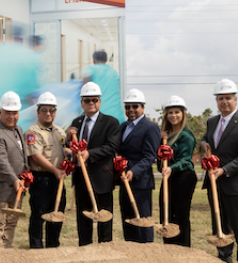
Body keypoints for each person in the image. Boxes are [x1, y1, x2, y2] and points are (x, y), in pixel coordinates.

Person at [201, 79, 238, 263]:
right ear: (216, 101)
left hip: (236, 182)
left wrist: (224, 170)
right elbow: (206, 140)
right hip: (215, 183)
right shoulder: (212, 122)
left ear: (235, 99)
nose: (224, 102)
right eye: (220, 98)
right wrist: (203, 145)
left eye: (228, 98)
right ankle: (224, 258)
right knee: (220, 221)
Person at [67, 82, 120, 246]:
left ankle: (105, 248)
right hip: (81, 177)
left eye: (94, 100)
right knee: (83, 218)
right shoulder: (76, 122)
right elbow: (69, 148)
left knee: (104, 218)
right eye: (87, 100)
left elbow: (112, 147)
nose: (91, 103)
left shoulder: (111, 122)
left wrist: (90, 153)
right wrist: (68, 138)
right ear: (82, 103)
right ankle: (85, 248)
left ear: (100, 102)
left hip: (102, 178)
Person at [0, 91, 28, 250]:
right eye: (8, 113)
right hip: (1, 186)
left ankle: (6, 253)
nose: (11, 116)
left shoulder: (19, 129)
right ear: (0, 112)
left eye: (15, 113)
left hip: (17, 187)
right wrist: (14, 179)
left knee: (11, 222)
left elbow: (22, 154)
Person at [25, 92, 67, 248]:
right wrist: (54, 170)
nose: (48, 114)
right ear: (38, 112)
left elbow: (64, 151)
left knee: (57, 214)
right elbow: (36, 156)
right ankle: (36, 248)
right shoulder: (32, 132)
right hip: (42, 179)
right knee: (39, 215)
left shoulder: (60, 131)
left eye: (52, 110)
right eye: (44, 110)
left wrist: (71, 153)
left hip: (58, 180)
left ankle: (53, 246)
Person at [118, 88, 160, 243]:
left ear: (143, 107)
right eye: (128, 106)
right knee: (128, 220)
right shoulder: (122, 127)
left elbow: (149, 156)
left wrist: (133, 172)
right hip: (124, 180)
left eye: (135, 106)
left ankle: (147, 253)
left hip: (141, 181)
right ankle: (132, 254)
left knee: (143, 220)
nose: (131, 110)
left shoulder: (150, 127)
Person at [158, 95, 197, 247]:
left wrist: (170, 168)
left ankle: (183, 248)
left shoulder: (186, 136)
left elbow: (185, 160)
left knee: (180, 214)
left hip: (184, 177)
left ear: (183, 114)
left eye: (177, 112)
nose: (173, 115)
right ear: (166, 115)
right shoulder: (166, 135)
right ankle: (169, 245)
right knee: (166, 211)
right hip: (169, 177)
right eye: (170, 112)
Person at [82, 50, 124, 123]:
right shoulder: (114, 72)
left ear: (94, 59)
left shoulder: (91, 69)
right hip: (117, 116)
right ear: (106, 59)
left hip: (100, 118)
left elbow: (84, 88)